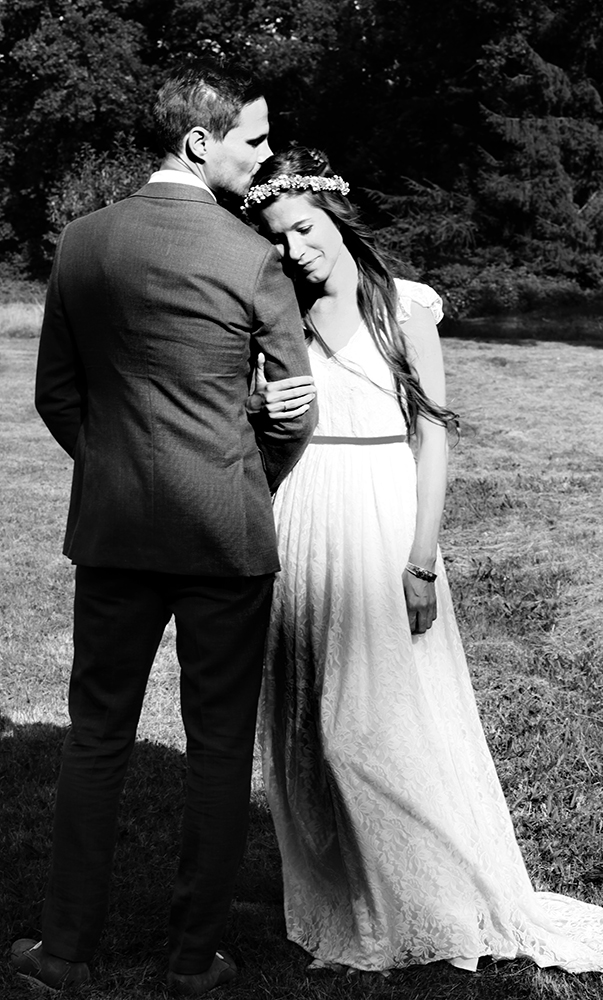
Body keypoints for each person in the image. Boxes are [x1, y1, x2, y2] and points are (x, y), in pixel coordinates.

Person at [243, 147, 603, 976]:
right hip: (297, 510)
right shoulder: (277, 314)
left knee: (367, 723)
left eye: (303, 229)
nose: (294, 250)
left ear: (335, 219)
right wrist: (257, 406)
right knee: (304, 718)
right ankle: (343, 893)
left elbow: (430, 439)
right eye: (277, 239)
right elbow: (261, 422)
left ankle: (428, 899)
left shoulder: (403, 305)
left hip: (380, 510)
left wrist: (420, 560)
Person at [11, 69, 317, 996]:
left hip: (116, 535)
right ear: (199, 142)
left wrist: (115, 472)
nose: (265, 155)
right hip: (224, 537)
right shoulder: (250, 256)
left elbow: (56, 394)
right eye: (253, 140)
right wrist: (242, 482)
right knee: (218, 748)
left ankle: (63, 953)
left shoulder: (83, 241)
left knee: (95, 737)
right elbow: (294, 410)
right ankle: (192, 961)